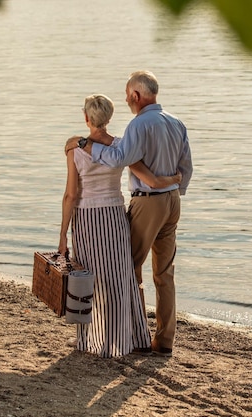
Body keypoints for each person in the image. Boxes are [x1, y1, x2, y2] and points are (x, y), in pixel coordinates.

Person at [65, 71, 193, 357]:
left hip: (148, 203)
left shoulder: (139, 125)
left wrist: (85, 144)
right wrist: (174, 189)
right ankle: (165, 340)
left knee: (127, 267)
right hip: (172, 202)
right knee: (164, 273)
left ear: (136, 95)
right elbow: (187, 167)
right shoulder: (176, 122)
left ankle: (135, 336)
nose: (126, 100)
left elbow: (119, 158)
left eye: (127, 95)